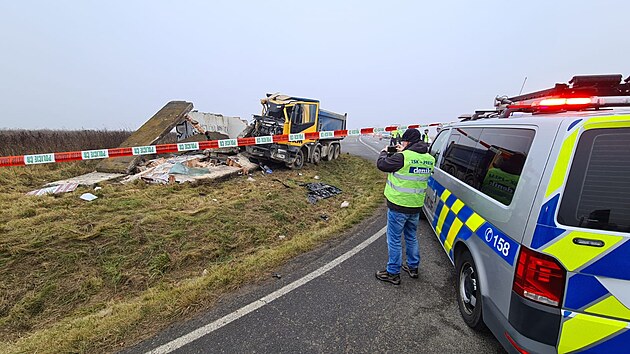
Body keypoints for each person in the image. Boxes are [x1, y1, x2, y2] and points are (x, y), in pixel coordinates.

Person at [376, 129, 435, 285]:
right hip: (416, 205)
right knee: (411, 236)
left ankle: (393, 272)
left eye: (403, 142)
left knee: (394, 239)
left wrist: (384, 152)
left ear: (407, 142)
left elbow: (382, 164)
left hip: (398, 205)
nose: (401, 144)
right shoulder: (430, 159)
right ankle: (413, 267)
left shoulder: (403, 157)